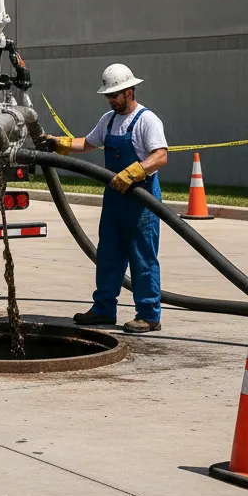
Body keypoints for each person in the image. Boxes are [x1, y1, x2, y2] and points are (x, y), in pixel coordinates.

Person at [44, 64, 168, 333]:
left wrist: (135, 171)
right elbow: (88, 143)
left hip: (141, 200)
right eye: (108, 96)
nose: (111, 100)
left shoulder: (147, 120)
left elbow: (160, 156)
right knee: (109, 255)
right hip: (114, 198)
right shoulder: (108, 120)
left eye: (115, 95)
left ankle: (148, 315)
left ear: (129, 91)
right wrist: (59, 143)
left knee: (142, 257)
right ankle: (103, 309)